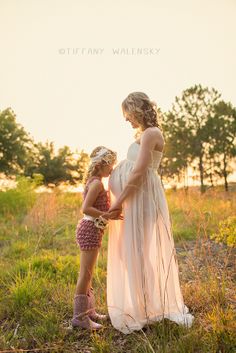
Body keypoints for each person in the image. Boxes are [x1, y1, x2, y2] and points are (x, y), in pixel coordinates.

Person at [107, 92, 194, 334]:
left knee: (139, 251)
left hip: (143, 199)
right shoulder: (143, 135)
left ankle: (151, 307)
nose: (126, 120)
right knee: (133, 252)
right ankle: (145, 303)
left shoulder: (152, 134)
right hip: (138, 197)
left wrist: (119, 202)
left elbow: (139, 172)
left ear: (137, 109)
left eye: (127, 114)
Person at [71, 146, 120, 330]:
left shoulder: (96, 180)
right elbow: (86, 208)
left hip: (92, 229)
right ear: (101, 164)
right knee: (86, 274)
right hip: (90, 229)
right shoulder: (97, 183)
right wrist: (106, 215)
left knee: (88, 273)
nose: (112, 169)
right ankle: (80, 318)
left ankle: (89, 312)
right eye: (111, 165)